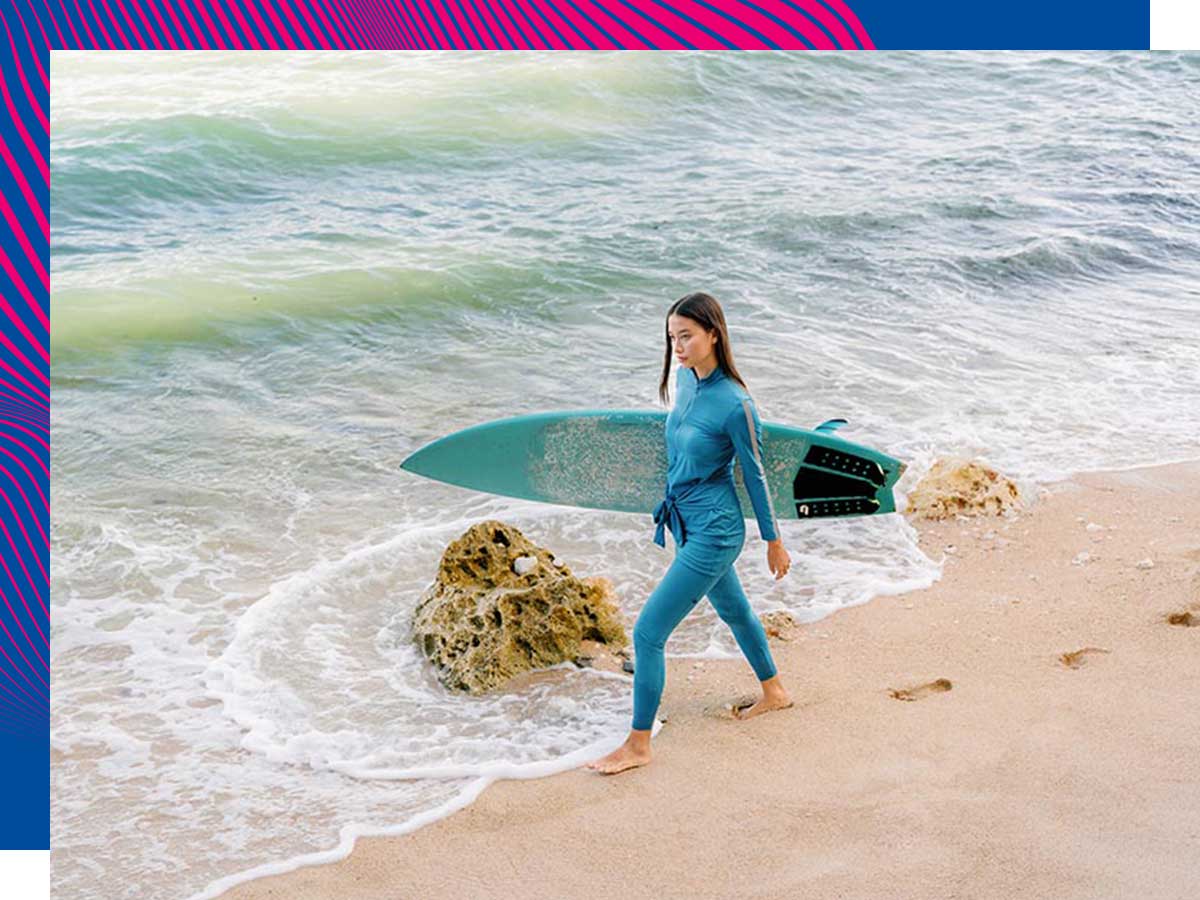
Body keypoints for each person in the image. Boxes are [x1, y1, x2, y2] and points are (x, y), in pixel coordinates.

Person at [585, 292, 794, 776]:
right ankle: (775, 692)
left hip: (717, 531)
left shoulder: (736, 404)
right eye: (671, 337)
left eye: (686, 336)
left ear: (714, 334)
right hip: (686, 520)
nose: (676, 347)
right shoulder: (683, 380)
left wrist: (773, 540)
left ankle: (638, 745)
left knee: (648, 632)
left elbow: (756, 474)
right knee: (735, 611)